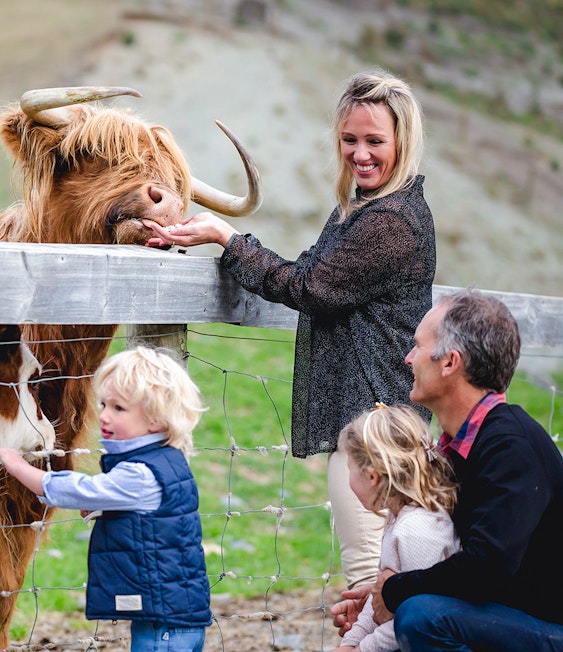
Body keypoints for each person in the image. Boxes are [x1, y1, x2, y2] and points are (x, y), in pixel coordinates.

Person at [145, 68, 435, 590]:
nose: (360, 153)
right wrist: (214, 238)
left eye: (375, 141)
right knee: (393, 581)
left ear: (403, 141)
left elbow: (310, 287)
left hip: (376, 431)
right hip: (380, 422)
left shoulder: (389, 222)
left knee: (372, 583)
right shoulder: (363, 210)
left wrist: (227, 238)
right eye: (349, 139)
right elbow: (304, 270)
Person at [335, 289, 563, 650]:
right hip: (507, 614)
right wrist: (380, 599)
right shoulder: (458, 446)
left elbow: (487, 566)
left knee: (421, 617)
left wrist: (395, 591)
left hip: (547, 625)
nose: (408, 358)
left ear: (449, 363)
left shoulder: (512, 448)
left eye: (418, 347)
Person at [0, 346, 211, 651]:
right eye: (103, 404)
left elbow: (77, 489)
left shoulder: (138, 473)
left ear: (156, 420)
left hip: (163, 626)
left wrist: (19, 467)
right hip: (176, 614)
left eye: (118, 409)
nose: (103, 416)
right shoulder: (168, 459)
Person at [329, 403, 460, 652]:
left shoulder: (417, 531)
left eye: (350, 470)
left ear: (372, 476)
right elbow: (381, 599)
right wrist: (351, 642)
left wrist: (362, 649)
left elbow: (409, 618)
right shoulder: (399, 517)